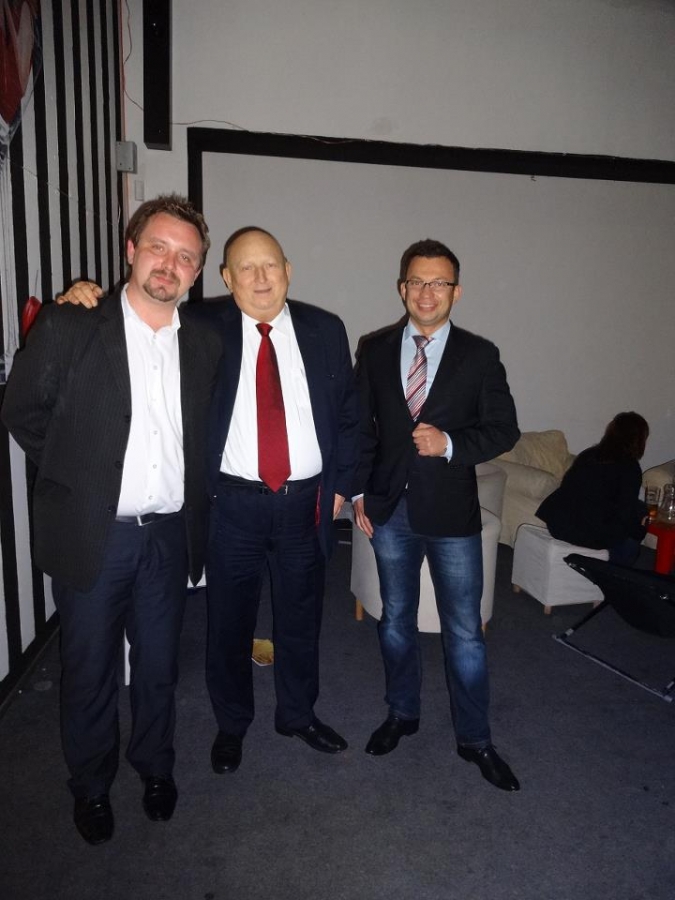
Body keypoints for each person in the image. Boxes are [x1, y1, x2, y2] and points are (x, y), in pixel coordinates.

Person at [57, 226, 359, 775]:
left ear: (288, 270)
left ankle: (298, 714)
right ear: (225, 277)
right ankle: (232, 724)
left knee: (301, 616)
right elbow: (139, 311)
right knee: (229, 622)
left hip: (305, 503)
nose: (261, 278)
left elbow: (350, 414)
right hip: (232, 505)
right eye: (246, 268)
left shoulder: (326, 329)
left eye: (271, 265)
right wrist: (86, 295)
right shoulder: (199, 326)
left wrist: (343, 485)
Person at [1, 195, 222, 844]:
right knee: (89, 669)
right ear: (130, 250)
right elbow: (21, 412)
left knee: (157, 666)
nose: (170, 264)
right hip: (95, 534)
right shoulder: (72, 324)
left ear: (197, 271)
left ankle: (155, 767)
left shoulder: (205, 344)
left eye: (186, 256)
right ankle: (91, 785)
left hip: (168, 537)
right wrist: (77, 476)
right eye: (158, 247)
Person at [352, 239, 521, 791]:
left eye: (439, 282)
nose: (427, 292)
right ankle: (402, 713)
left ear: (456, 291)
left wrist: (449, 443)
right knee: (395, 620)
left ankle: (475, 739)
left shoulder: (480, 355)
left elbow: (504, 430)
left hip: (452, 516)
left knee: (465, 632)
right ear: (403, 288)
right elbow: (360, 428)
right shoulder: (374, 349)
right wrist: (358, 492)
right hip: (390, 512)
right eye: (418, 282)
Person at [536, 412, 650, 565]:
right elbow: (624, 513)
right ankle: (615, 571)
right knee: (635, 524)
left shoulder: (589, 454)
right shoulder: (630, 468)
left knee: (634, 511)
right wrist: (640, 531)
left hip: (558, 522)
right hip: (587, 532)